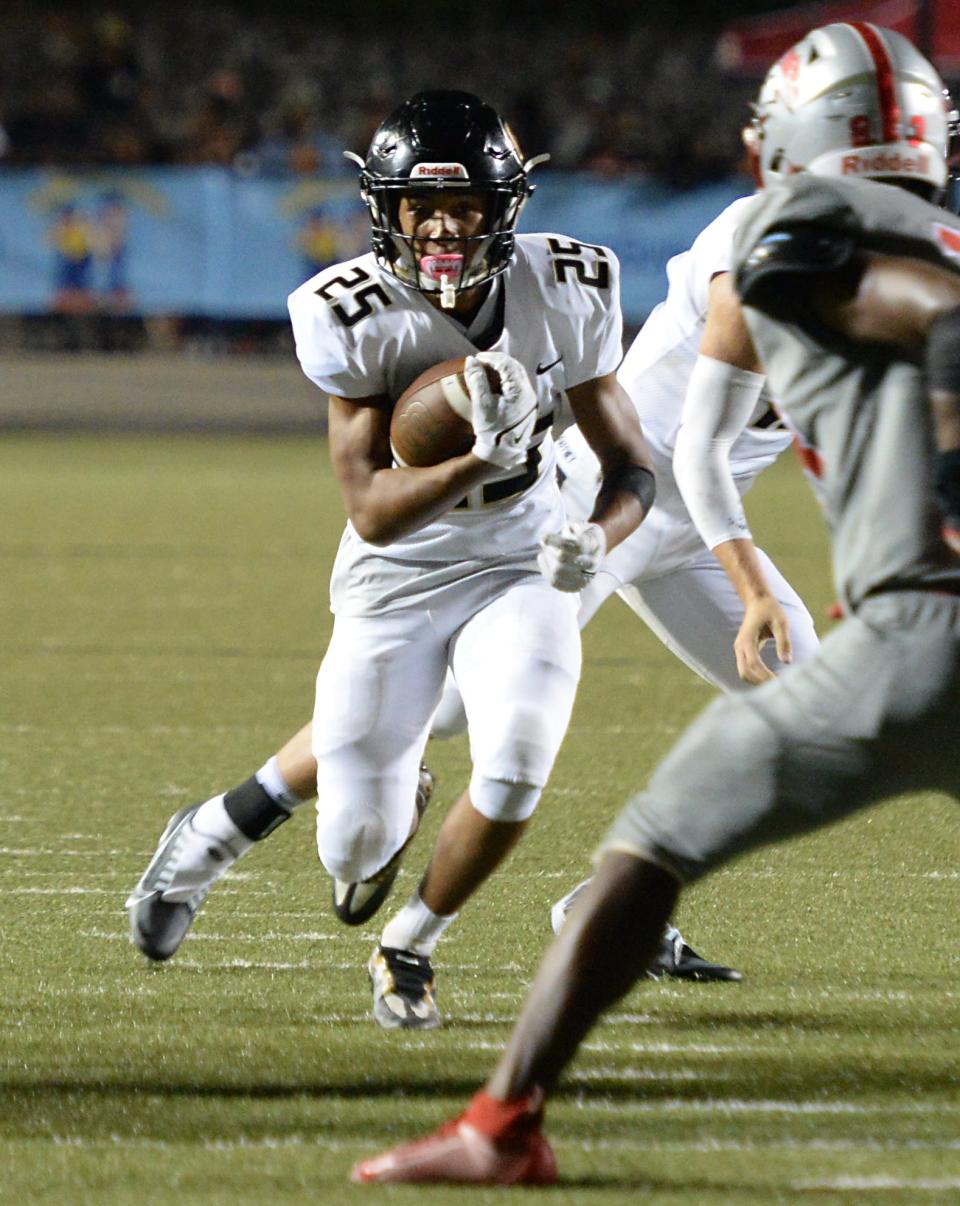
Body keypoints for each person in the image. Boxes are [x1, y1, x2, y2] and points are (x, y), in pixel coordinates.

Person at [349, 22, 960, 1183]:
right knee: (426, 718)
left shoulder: (808, 219)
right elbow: (705, 447)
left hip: (779, 560)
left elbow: (783, 379)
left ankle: (492, 1053)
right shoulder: (831, 236)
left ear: (793, 135)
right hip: (609, 502)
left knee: (695, 784)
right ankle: (258, 823)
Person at [127, 90, 654, 1030]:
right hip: (401, 573)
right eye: (422, 207)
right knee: (353, 846)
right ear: (387, 211)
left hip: (520, 558)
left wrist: (594, 539)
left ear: (507, 209)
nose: (445, 228)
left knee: (520, 757)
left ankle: (410, 945)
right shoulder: (352, 310)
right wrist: (478, 459)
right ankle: (220, 830)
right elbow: (371, 512)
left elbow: (634, 471)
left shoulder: (569, 285)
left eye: (466, 208)